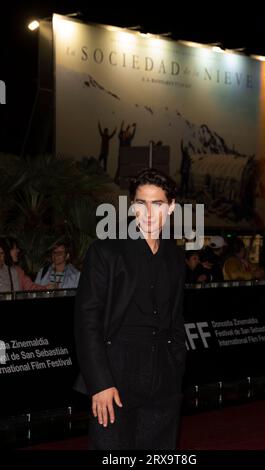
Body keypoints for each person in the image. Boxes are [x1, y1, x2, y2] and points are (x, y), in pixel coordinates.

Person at [74, 168, 187, 450]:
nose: (148, 212)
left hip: (163, 373)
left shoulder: (174, 255)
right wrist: (99, 383)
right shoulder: (106, 251)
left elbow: (176, 316)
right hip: (116, 371)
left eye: (157, 204)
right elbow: (87, 321)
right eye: (141, 203)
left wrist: (175, 366)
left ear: (171, 207)